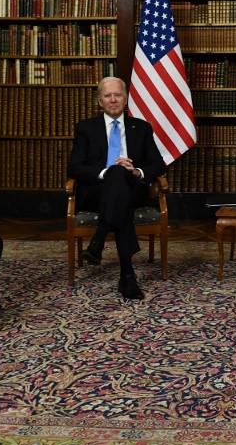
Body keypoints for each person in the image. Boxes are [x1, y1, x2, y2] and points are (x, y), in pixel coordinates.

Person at [67, 76, 165, 300]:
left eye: (118, 95)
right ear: (99, 101)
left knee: (121, 176)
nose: (113, 100)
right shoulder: (85, 128)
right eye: (107, 95)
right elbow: (74, 167)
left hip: (132, 190)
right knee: (116, 176)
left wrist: (136, 171)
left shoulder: (141, 128)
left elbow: (157, 164)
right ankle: (127, 276)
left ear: (126, 99)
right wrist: (106, 172)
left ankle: (99, 239)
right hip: (96, 192)